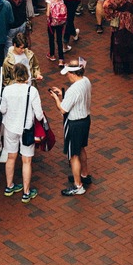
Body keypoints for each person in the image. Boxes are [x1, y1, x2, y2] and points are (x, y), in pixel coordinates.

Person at [0, 62, 44, 203]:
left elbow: (2, 109)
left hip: (10, 127)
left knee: (11, 157)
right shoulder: (32, 91)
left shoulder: (7, 90)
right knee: (26, 160)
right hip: (27, 129)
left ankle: (9, 186)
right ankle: (26, 192)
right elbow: (39, 115)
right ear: (27, 76)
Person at [49, 58, 92, 196]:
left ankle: (78, 185)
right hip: (85, 120)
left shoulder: (73, 89)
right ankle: (85, 175)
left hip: (74, 124)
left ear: (73, 74)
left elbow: (63, 109)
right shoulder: (86, 81)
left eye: (68, 74)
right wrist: (63, 94)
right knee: (81, 148)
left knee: (73, 155)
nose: (67, 76)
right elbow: (77, 98)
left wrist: (56, 99)